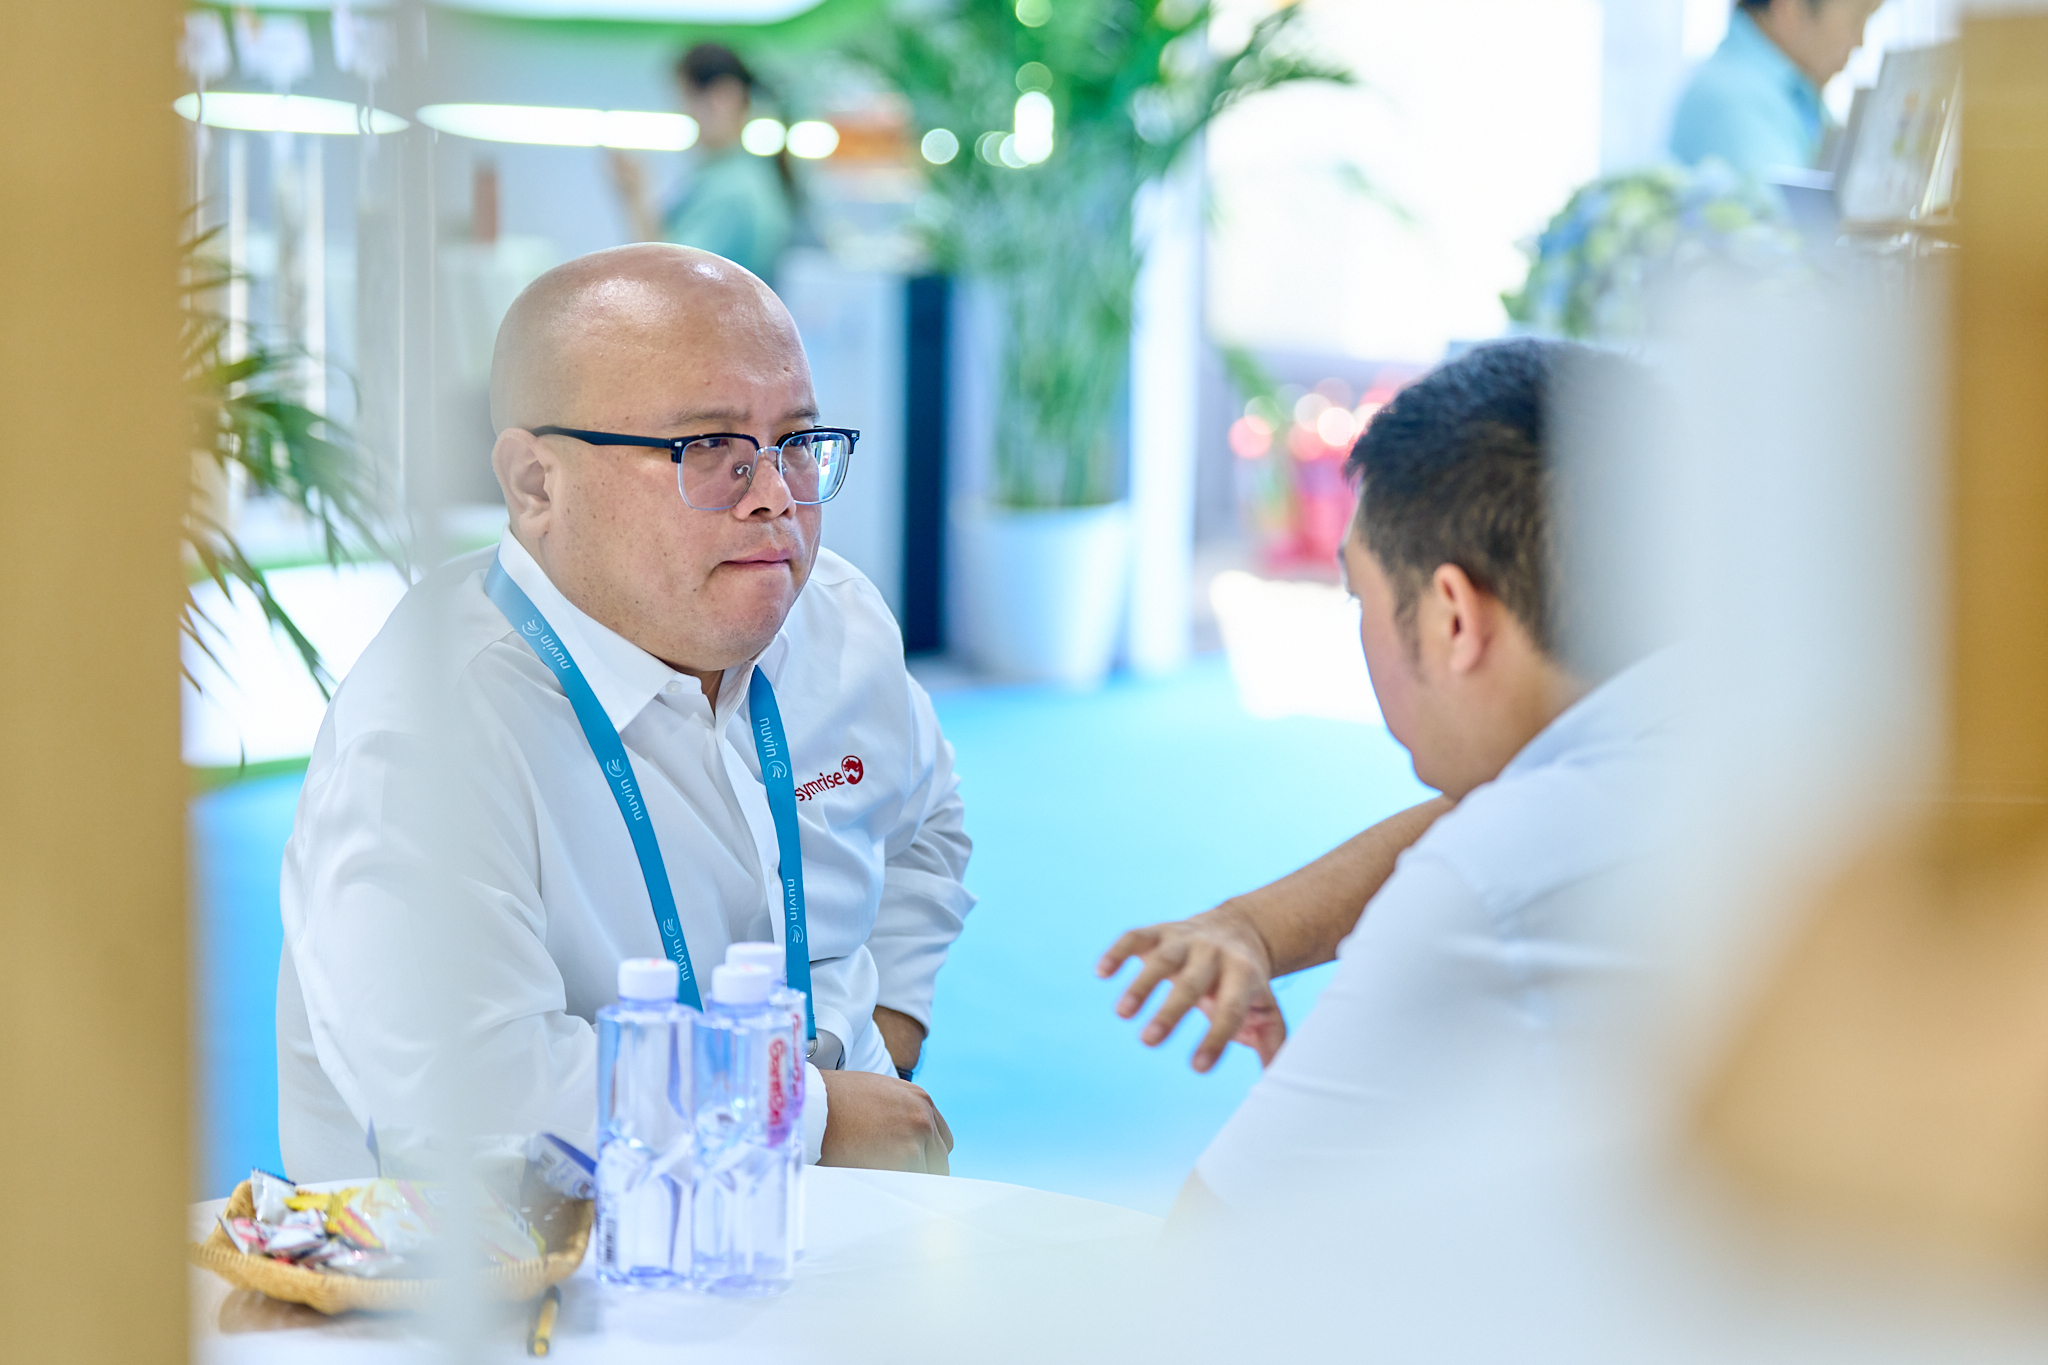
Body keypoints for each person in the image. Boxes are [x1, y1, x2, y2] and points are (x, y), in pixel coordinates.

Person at [278, 244, 969, 1180]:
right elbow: (463, 1096)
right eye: (709, 449)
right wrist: (804, 1117)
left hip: (845, 1204)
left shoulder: (835, 622)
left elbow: (929, 819)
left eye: (797, 443)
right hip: (550, 1255)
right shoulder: (429, 732)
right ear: (536, 485)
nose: (774, 497)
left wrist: (893, 1020)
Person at [1099, 339, 1680, 1217]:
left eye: (1360, 598)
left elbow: (1212, 1242)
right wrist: (1257, 924)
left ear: (1453, 617)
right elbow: (1524, 805)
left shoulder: (1482, 883)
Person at [611, 44, 795, 285]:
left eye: (686, 98)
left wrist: (634, 198)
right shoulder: (739, 177)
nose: (683, 111)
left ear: (722, 99)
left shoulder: (733, 190)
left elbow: (668, 281)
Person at [1669, 0, 1883, 180]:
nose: (1860, 42)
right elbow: (1790, 215)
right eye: (1857, 19)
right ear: (1790, 8)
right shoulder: (1733, 101)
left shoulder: (1794, 92)